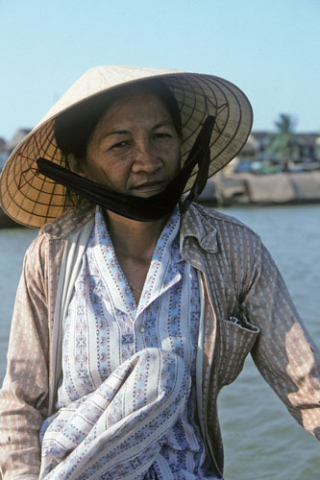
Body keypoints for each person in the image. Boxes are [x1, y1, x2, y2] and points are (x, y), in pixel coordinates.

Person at [0, 65, 319, 480]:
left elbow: (305, 380)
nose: (147, 160)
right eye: (120, 145)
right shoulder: (54, 254)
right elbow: (20, 401)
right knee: (158, 373)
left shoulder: (234, 250)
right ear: (80, 165)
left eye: (161, 136)